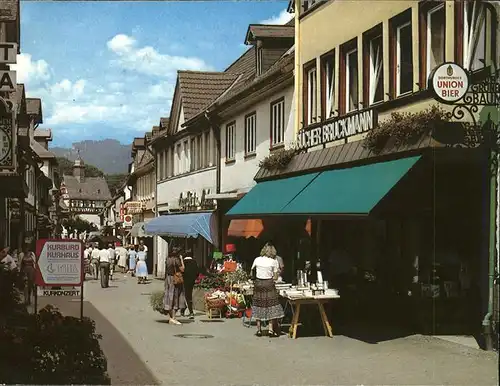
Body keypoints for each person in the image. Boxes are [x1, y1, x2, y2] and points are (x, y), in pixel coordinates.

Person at [250, 244, 284, 337]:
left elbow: (252, 271)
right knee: (271, 305)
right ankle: (270, 329)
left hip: (258, 283)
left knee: (258, 304)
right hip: (269, 283)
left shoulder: (257, 259)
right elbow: (276, 276)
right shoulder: (273, 261)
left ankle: (259, 329)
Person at [163, 248, 186, 325]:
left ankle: (170, 317)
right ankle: (174, 317)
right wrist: (182, 259)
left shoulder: (168, 259)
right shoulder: (176, 260)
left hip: (168, 279)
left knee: (169, 297)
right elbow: (182, 269)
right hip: (175, 279)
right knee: (176, 297)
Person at [182, 249, 199, 319]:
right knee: (188, 295)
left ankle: (189, 311)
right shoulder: (194, 262)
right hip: (191, 281)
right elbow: (197, 272)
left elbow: (182, 271)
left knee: (185, 295)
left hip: (184, 280)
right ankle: (185, 309)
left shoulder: (183, 262)